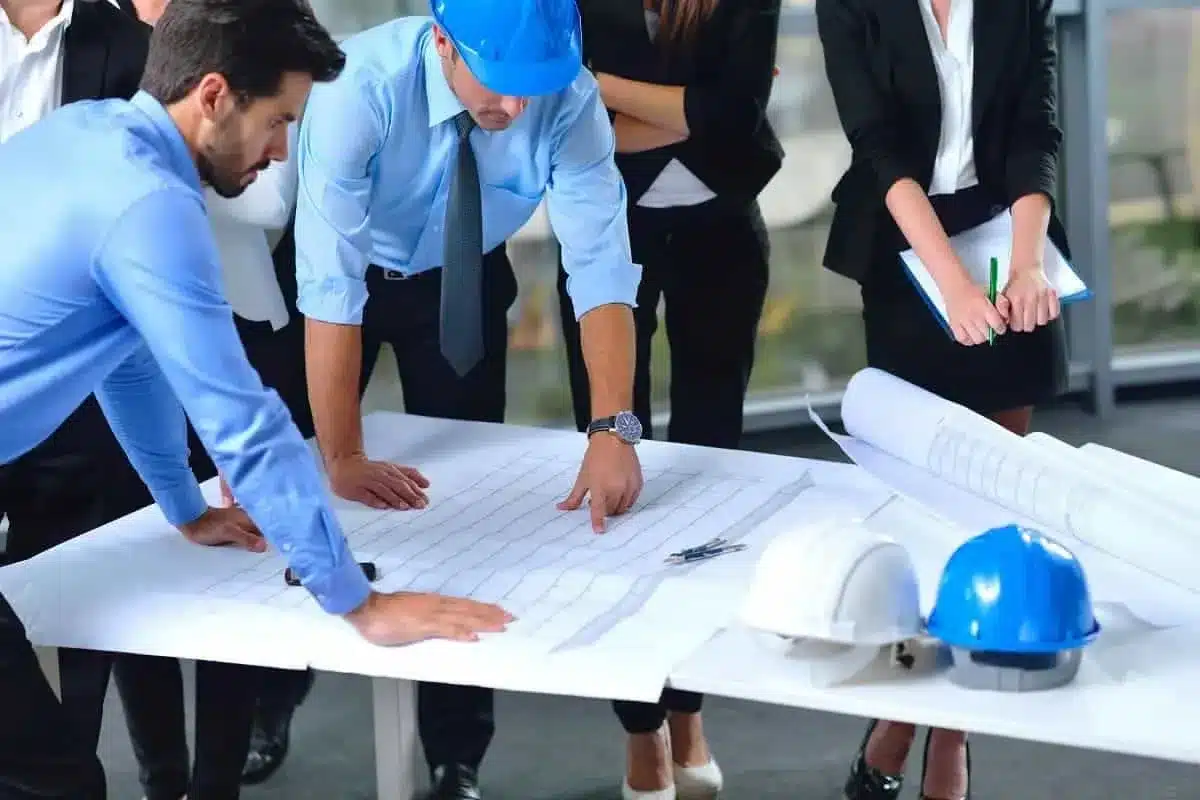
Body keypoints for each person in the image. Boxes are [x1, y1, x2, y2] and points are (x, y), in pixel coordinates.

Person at [0, 1, 511, 798]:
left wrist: (182, 505)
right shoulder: (150, 204)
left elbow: (123, 362)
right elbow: (241, 420)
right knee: (54, 781)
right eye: (278, 122)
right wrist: (357, 602)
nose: (281, 154)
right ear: (212, 96)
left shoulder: (94, 134)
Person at [293, 1, 644, 797]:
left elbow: (599, 265)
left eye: (536, 88)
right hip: (351, 279)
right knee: (310, 489)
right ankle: (274, 695)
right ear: (444, 43)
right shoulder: (357, 89)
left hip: (461, 281)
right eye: (502, 85)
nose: (516, 109)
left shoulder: (571, 96)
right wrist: (343, 456)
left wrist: (612, 426)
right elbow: (329, 287)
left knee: (462, 514)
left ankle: (458, 756)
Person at [815, 0, 1068, 797]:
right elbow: (878, 148)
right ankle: (900, 713)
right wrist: (951, 284)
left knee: (994, 507)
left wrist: (1027, 266)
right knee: (922, 510)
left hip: (1005, 238)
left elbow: (1036, 132)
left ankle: (953, 731)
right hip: (908, 247)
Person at [554, 1, 782, 798]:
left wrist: (603, 88)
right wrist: (689, 114)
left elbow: (734, 115)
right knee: (614, 479)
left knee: (711, 482)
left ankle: (688, 711)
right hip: (607, 241)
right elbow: (565, 119)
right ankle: (640, 726)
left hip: (723, 237)